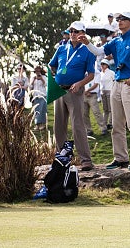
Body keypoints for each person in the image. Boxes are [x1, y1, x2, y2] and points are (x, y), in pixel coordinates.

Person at [81, 12, 130, 171]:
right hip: (116, 83)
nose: (120, 22)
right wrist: (87, 43)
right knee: (116, 123)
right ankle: (120, 158)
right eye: (118, 19)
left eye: (123, 19)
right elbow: (98, 51)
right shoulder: (115, 40)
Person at [49, 21, 96, 171]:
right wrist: (55, 76)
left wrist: (80, 83)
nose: (73, 34)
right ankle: (62, 158)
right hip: (59, 91)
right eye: (71, 31)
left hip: (75, 91)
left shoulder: (87, 51)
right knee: (59, 126)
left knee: (78, 126)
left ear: (83, 33)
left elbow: (91, 75)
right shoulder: (62, 48)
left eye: (76, 31)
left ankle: (85, 160)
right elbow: (52, 64)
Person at [83, 68, 108, 136]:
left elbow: (96, 84)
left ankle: (103, 128)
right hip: (83, 95)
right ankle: (88, 130)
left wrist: (88, 91)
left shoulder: (96, 72)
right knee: (84, 114)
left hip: (92, 95)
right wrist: (84, 91)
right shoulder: (82, 71)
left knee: (96, 112)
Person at [29, 65, 47, 131]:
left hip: (42, 95)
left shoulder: (44, 77)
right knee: (36, 110)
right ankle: (37, 125)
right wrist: (33, 81)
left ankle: (42, 124)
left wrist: (41, 79)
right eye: (36, 71)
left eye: (38, 71)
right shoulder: (32, 78)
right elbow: (30, 87)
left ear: (40, 71)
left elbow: (46, 85)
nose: (37, 72)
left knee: (42, 110)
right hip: (35, 96)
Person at [99, 59, 115, 130]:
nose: (102, 65)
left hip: (109, 90)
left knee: (110, 108)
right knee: (105, 109)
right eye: (101, 64)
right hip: (103, 92)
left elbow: (114, 81)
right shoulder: (100, 73)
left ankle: (110, 123)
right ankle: (104, 123)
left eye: (104, 64)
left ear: (107, 65)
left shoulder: (111, 72)